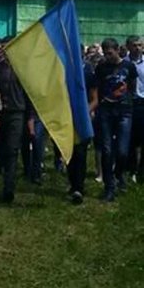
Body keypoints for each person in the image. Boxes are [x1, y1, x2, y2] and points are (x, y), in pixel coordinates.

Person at [95, 37, 137, 201]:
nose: (108, 57)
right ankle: (109, 186)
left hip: (124, 110)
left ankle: (119, 172)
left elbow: (132, 85)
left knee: (122, 151)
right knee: (106, 150)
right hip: (106, 110)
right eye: (105, 54)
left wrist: (127, 100)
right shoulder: (102, 67)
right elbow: (98, 87)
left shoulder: (128, 66)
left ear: (118, 50)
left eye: (110, 53)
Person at [0, 41, 29, 205]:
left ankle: (8, 188)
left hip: (16, 112)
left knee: (12, 149)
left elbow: (30, 95)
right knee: (2, 147)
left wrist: (31, 117)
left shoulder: (23, 70)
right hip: (0, 112)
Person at [66, 46, 98, 204]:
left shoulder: (88, 72)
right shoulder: (63, 70)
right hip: (66, 118)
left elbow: (94, 98)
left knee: (81, 153)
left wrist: (85, 112)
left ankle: (79, 187)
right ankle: (72, 184)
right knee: (68, 153)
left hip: (82, 118)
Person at [126, 34, 144, 183]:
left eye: (140, 45)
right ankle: (131, 169)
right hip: (130, 103)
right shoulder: (124, 63)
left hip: (143, 102)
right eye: (135, 45)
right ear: (128, 47)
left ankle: (141, 171)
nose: (138, 48)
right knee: (132, 139)